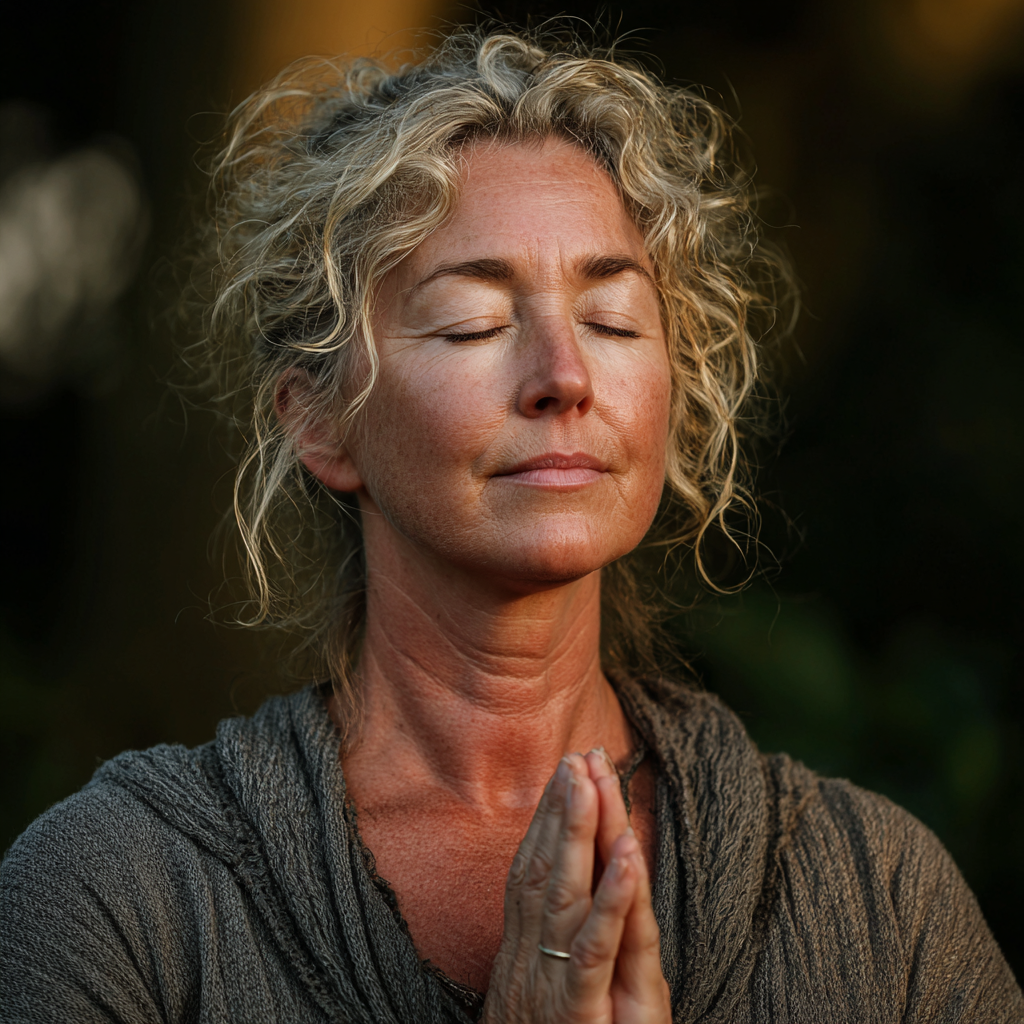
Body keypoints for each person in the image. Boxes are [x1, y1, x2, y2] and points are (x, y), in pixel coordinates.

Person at [0, 27, 1020, 1024]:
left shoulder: (882, 900)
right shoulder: (118, 896)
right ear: (319, 421)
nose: (563, 376)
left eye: (612, 320)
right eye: (473, 325)